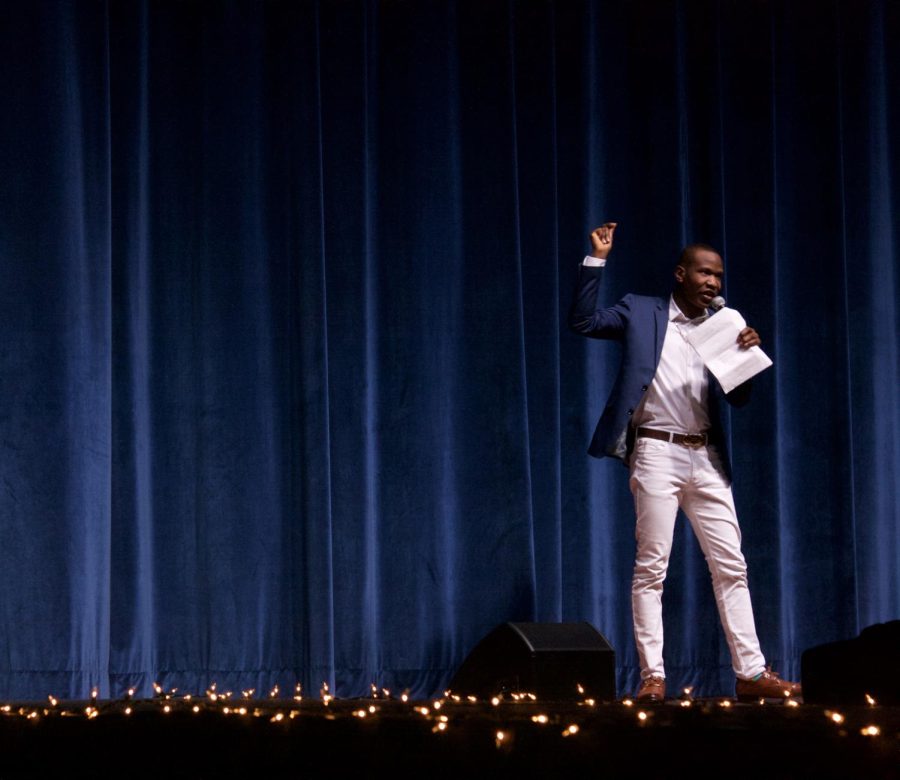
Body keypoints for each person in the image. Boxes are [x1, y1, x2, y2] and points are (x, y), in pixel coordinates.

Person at [569, 222, 800, 703]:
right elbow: (584, 322)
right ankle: (653, 677)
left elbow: (739, 399)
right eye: (704, 273)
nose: (713, 282)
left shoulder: (727, 322)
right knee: (652, 567)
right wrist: (597, 260)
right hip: (656, 451)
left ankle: (751, 675)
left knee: (731, 566)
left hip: (706, 457)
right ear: (680, 274)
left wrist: (746, 355)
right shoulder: (642, 310)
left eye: (718, 275)